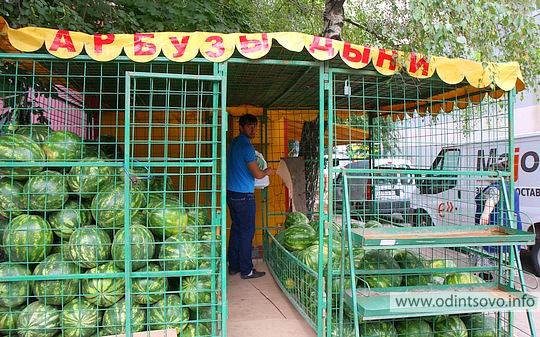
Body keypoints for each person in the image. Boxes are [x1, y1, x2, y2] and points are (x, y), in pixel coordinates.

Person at [227, 114, 273, 279]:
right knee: (247, 233)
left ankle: (233, 266)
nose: (253, 129)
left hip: (231, 194)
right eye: (249, 126)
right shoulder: (247, 148)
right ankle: (246, 270)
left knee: (237, 230)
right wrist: (267, 171)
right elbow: (258, 174)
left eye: (254, 125)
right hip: (244, 197)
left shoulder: (234, 143)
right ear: (240, 127)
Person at [474, 160, 522, 280]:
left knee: (486, 266)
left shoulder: (495, 188)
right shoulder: (511, 188)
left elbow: (492, 199)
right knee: (507, 270)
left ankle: (486, 283)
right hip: (510, 233)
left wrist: (485, 214)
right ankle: (509, 287)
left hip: (493, 234)